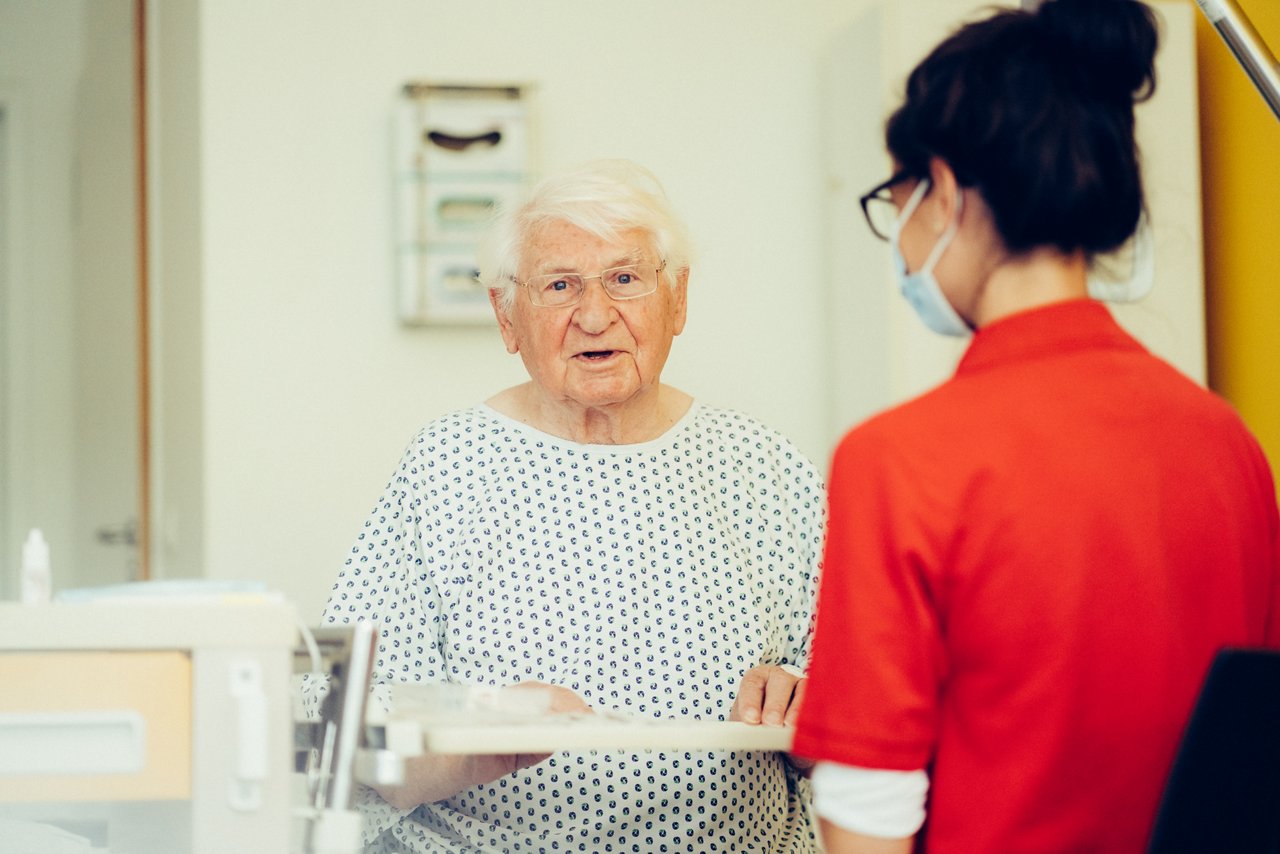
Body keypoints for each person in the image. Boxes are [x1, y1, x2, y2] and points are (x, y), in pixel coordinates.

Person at [791, 1, 1280, 852]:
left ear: (940, 192)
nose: (901, 244)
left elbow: (868, 813)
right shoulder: (1227, 444)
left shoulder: (899, 459)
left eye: (895, 202)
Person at [321, 159, 824, 852]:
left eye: (625, 278)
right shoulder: (446, 466)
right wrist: (476, 743)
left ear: (676, 299)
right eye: (560, 286)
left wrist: (806, 705)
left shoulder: (766, 466)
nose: (594, 315)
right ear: (507, 316)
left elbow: (862, 720)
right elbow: (347, 729)